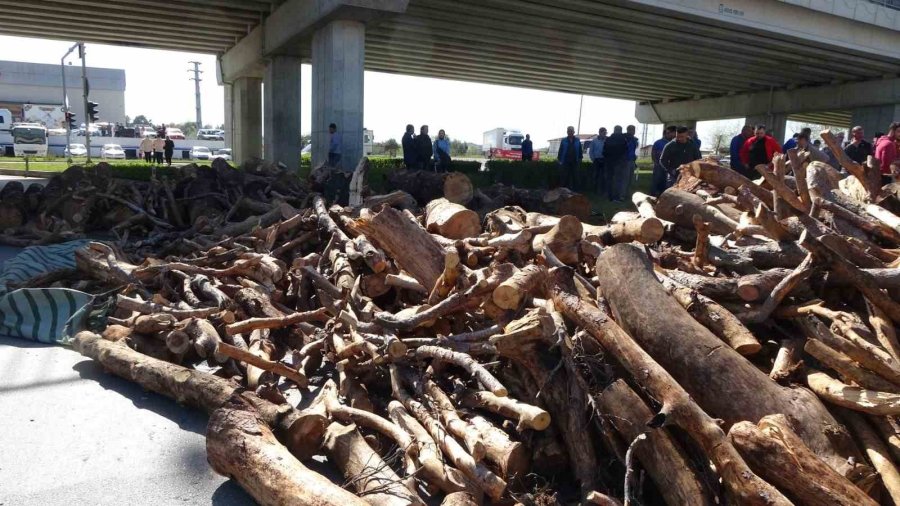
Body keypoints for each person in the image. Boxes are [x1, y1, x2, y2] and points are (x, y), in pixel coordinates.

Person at [603, 125, 629, 201]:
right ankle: (616, 197)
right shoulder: (623, 139)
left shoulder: (608, 139)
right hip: (619, 162)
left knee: (609, 179)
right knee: (618, 180)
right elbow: (625, 151)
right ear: (620, 131)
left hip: (609, 162)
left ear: (614, 130)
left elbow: (604, 151)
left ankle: (609, 196)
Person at [651, 125, 676, 196]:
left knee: (666, 182)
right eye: (668, 133)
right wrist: (656, 162)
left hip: (669, 166)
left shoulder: (674, 143)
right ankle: (653, 195)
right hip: (659, 165)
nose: (671, 135)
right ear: (665, 134)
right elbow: (653, 153)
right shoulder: (658, 142)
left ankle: (662, 195)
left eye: (672, 133)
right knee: (656, 180)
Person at [588, 127, 607, 195]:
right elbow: (591, 151)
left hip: (604, 161)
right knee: (595, 176)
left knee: (604, 176)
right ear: (600, 133)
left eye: (605, 133)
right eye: (604, 133)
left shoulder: (607, 140)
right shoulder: (594, 141)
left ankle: (603, 191)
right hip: (596, 160)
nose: (605, 134)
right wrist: (593, 159)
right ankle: (595, 191)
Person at [624, 125, 638, 195]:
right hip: (626, 161)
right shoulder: (625, 138)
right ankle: (623, 193)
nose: (633, 131)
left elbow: (633, 149)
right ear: (628, 130)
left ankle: (627, 192)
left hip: (632, 160)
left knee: (630, 178)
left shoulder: (634, 139)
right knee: (625, 178)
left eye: (634, 130)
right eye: (632, 130)